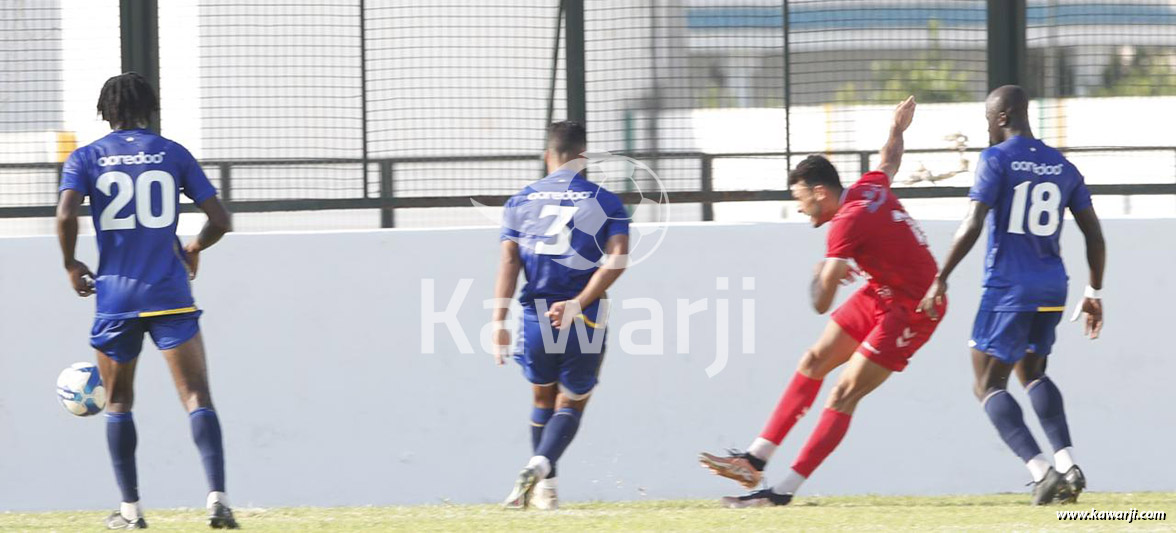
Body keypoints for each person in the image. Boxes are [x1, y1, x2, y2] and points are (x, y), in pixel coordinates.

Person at [699, 96, 946, 507]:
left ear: (820, 192)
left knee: (842, 393)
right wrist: (897, 129)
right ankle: (755, 459)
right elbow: (889, 161)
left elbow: (820, 301)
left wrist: (822, 273)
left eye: (801, 199)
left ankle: (780, 494)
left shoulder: (845, 223)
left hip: (915, 307)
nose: (799, 208)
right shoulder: (868, 186)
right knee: (813, 361)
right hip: (883, 291)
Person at [56, 72, 238, 529]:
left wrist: (71, 264)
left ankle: (131, 512)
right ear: (150, 108)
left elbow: (65, 215)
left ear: (106, 111)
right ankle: (217, 500)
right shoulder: (173, 154)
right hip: (170, 292)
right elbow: (219, 219)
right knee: (197, 395)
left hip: (116, 296)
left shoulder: (86, 157)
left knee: (117, 401)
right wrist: (194, 247)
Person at [918, 85, 1105, 505]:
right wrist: (1094, 290)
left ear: (1002, 117)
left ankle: (1041, 473)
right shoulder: (1062, 165)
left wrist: (941, 276)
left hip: (1008, 288)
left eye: (987, 119)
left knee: (986, 385)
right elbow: (1094, 234)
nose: (986, 127)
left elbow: (972, 222)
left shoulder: (995, 159)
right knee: (1033, 372)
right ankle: (1068, 464)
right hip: (1054, 286)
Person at [491, 121, 630, 510]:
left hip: (535, 316)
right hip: (582, 316)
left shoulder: (520, 201)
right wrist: (581, 301)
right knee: (573, 401)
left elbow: (508, 260)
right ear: (583, 157)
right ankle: (541, 466)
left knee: (542, 395)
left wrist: (497, 321)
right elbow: (618, 258)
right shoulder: (605, 201)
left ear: (548, 156)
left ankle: (544, 490)